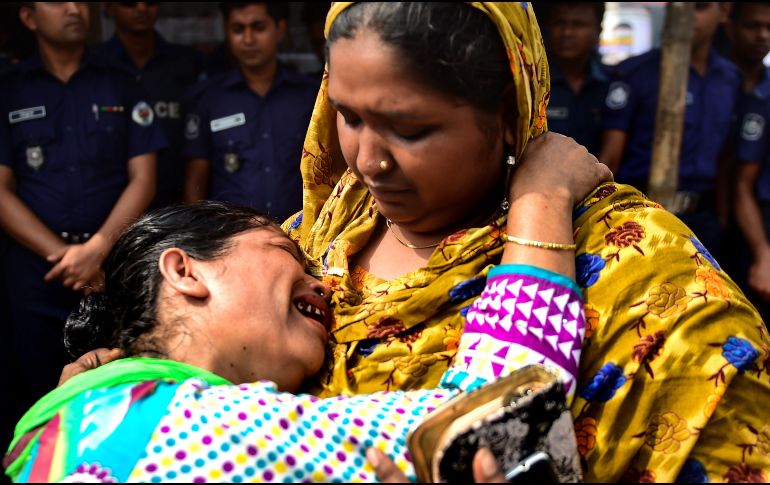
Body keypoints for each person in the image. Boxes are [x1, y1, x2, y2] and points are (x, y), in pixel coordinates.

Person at [283, 2, 770, 481]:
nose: (369, 161)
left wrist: (542, 204)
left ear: (509, 113)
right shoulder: (308, 239)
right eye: (348, 117)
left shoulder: (640, 264)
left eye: (410, 130)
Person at [2, 177, 593, 482]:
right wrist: (544, 195)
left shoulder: (70, 422)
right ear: (185, 271)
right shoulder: (194, 429)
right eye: (288, 251)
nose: (328, 284)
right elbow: (500, 415)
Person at [0, 1, 164, 425]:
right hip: (36, 273)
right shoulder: (9, 89)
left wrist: (96, 251)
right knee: (34, 391)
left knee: (120, 386)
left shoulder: (123, 82)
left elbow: (144, 179)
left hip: (112, 267)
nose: (74, 9)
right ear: (28, 16)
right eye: (57, 1)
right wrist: (66, 255)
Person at [598, 2, 739, 259]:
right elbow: (610, 159)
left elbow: (727, 159)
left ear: (724, 11)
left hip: (702, 220)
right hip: (642, 213)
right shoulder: (636, 73)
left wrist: (723, 217)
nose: (689, 18)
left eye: (701, 7)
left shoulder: (729, 79)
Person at [183, 2, 318, 223]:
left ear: (280, 29)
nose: (248, 39)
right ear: (227, 31)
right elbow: (195, 182)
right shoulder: (208, 98)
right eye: (238, 29)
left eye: (258, 27)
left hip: (302, 234)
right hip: (230, 237)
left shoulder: (309, 96)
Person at [95, 2, 203, 210]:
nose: (141, 8)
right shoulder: (97, 66)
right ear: (108, 7)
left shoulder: (189, 64)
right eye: (130, 3)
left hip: (178, 203)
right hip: (109, 210)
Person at [730, 3, 770, 323]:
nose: (762, 36)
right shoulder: (761, 97)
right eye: (753, 26)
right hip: (753, 227)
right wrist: (763, 253)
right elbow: (740, 183)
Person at [544, 2, 609, 155]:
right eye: (560, 23)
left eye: (578, 24)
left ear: (598, 31)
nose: (567, 32)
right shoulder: (533, 83)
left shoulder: (613, 84)